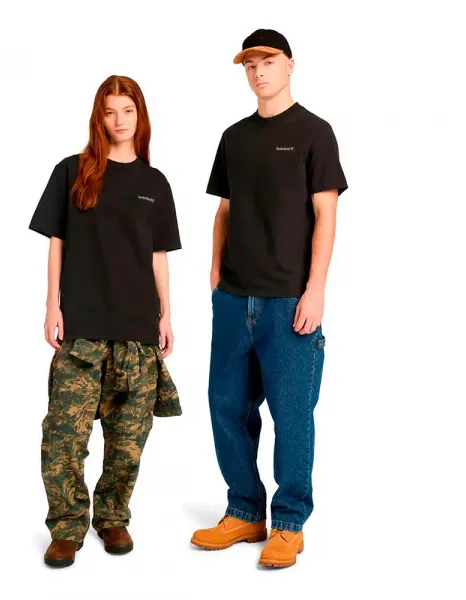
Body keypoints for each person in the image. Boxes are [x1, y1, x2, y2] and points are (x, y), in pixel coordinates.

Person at [190, 29, 348, 568]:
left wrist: (316, 289)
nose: (258, 72)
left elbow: (326, 214)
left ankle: (288, 523)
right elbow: (225, 211)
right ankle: (244, 511)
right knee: (226, 406)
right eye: (250, 65)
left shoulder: (314, 132)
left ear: (290, 66)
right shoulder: (233, 137)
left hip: (288, 300)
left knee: (292, 414)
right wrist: (215, 271)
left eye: (268, 61)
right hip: (234, 298)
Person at [29, 75, 182, 568]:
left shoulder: (155, 184)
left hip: (136, 331)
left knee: (128, 441)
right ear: (99, 117)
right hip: (83, 329)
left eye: (128, 111)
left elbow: (158, 255)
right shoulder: (72, 171)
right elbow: (57, 241)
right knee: (63, 438)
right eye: (110, 112)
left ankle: (112, 517)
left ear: (140, 116)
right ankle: (67, 526)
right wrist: (52, 304)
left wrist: (166, 313)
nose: (119, 121)